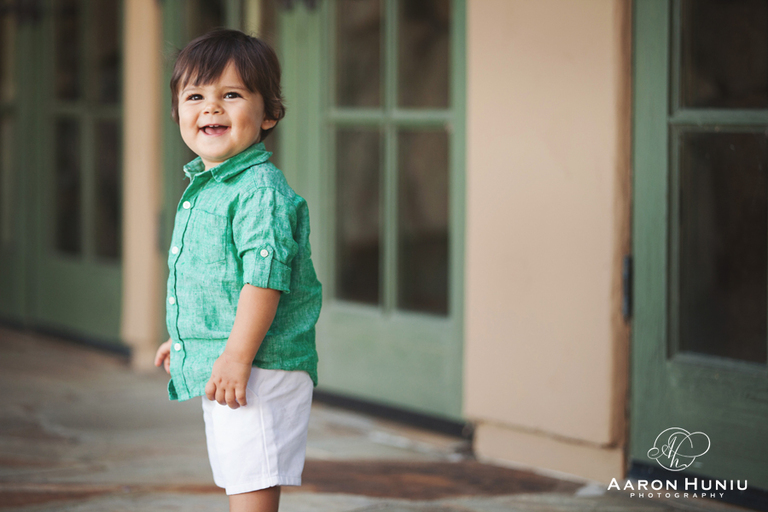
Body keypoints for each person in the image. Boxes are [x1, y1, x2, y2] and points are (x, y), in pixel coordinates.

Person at [153, 28, 322, 512]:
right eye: (195, 96)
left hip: (260, 367)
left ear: (269, 113)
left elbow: (262, 282)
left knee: (252, 488)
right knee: (239, 479)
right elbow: (216, 281)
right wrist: (192, 334)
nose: (211, 107)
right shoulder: (214, 186)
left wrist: (236, 356)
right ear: (178, 113)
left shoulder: (259, 191)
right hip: (236, 359)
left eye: (231, 94)